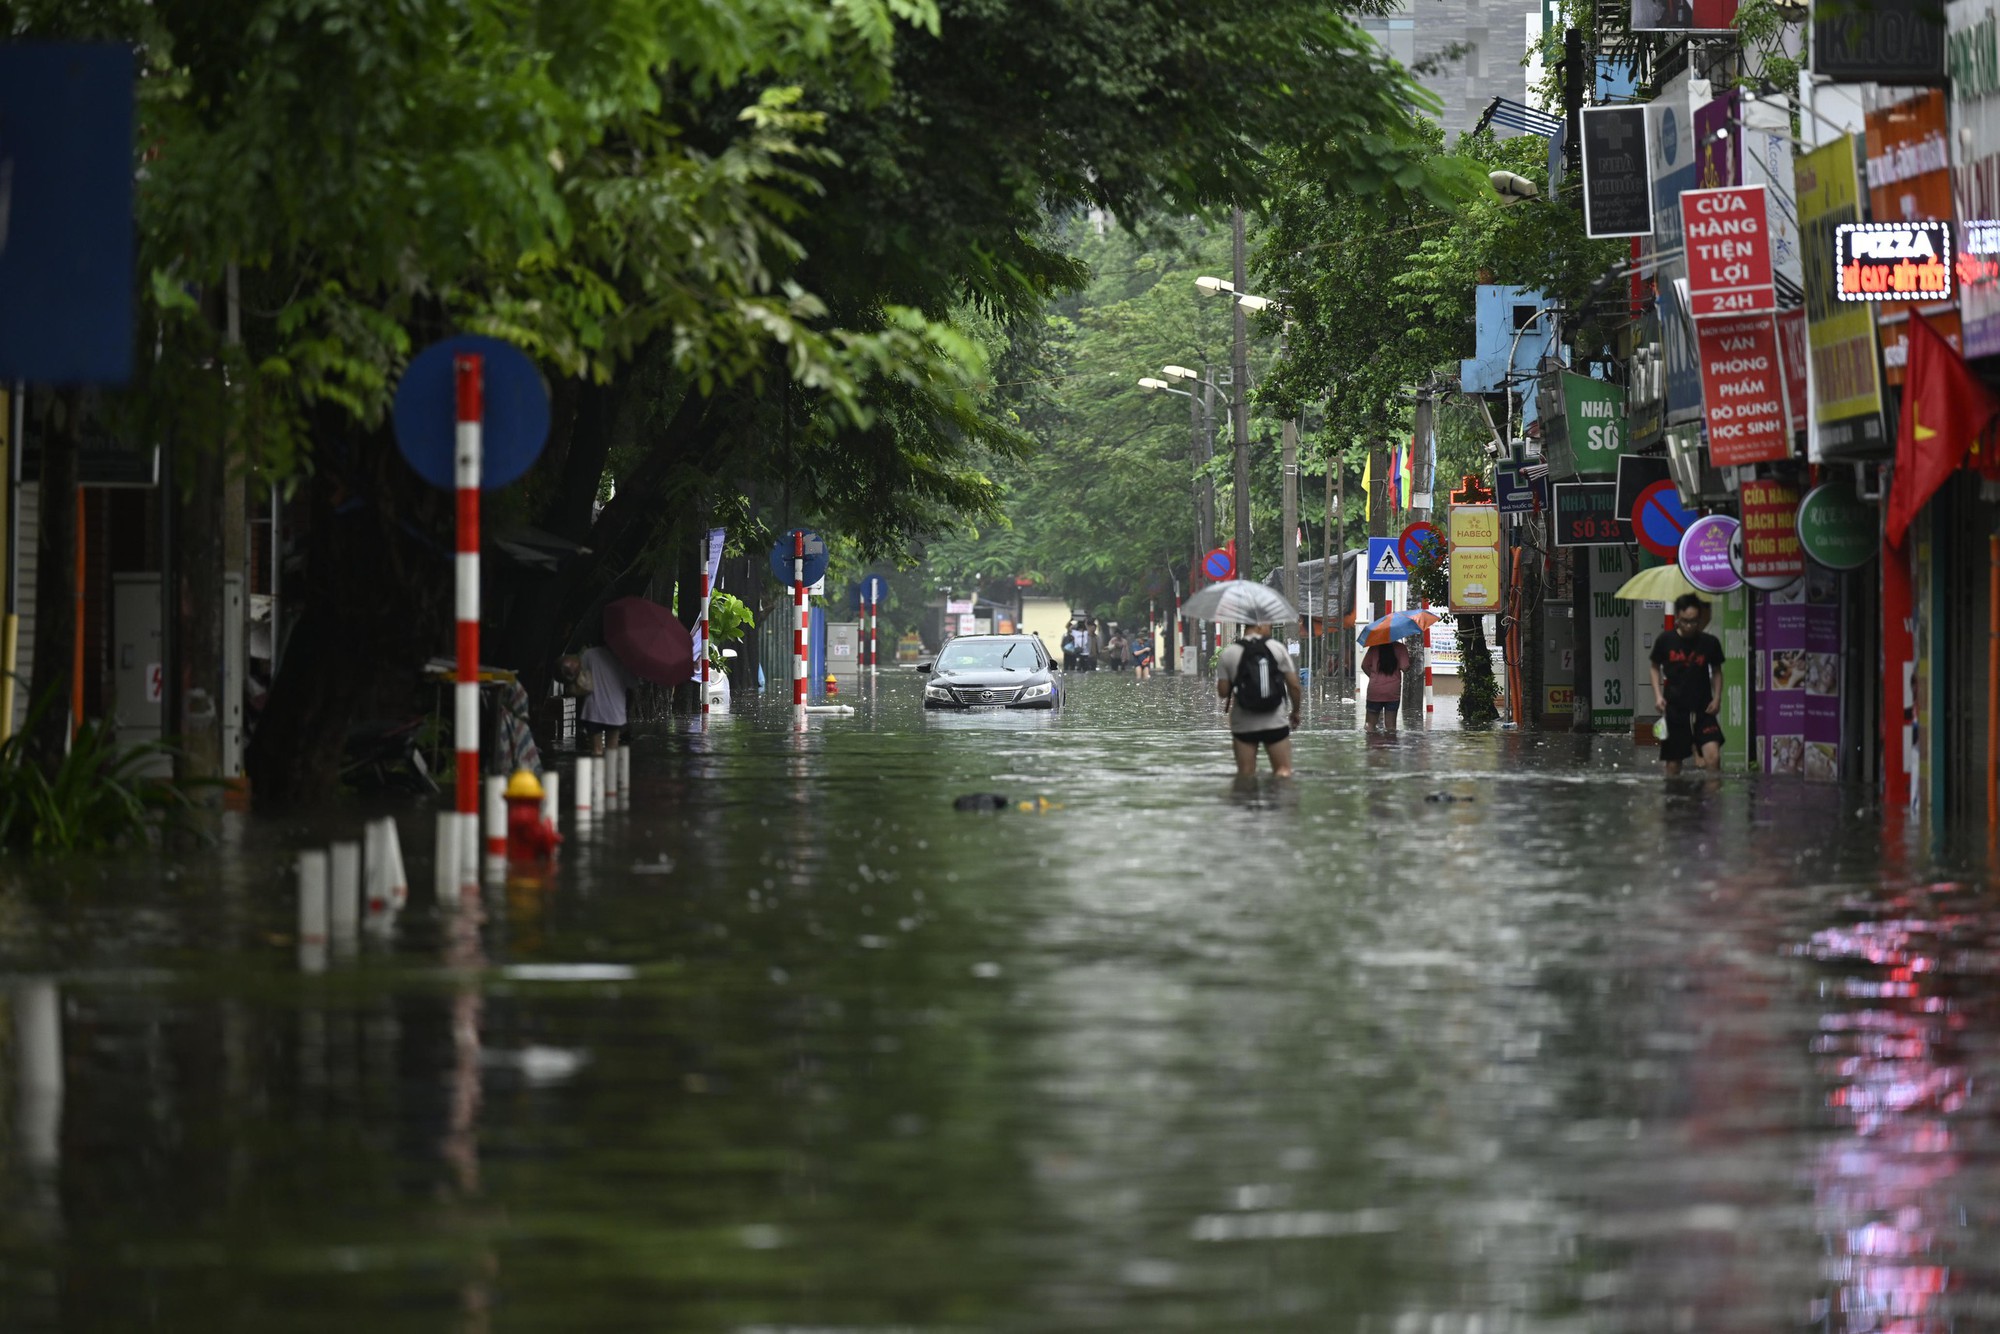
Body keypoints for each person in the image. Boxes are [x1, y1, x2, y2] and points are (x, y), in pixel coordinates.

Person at [1649, 592, 1726, 775]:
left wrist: (1717, 698)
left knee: (1713, 758)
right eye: (1685, 621)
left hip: (1703, 708)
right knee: (1673, 765)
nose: (1689, 626)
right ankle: (1676, 800)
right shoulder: (1665, 640)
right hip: (1675, 708)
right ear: (1677, 617)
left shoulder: (1709, 643)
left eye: (1693, 621)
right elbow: (1654, 666)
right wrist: (1658, 696)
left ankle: (1712, 800)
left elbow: (1717, 671)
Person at [1216, 620, 1303, 779]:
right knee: (1283, 771)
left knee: (1246, 774)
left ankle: (1247, 802)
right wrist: (1296, 711)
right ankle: (1279, 800)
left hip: (1243, 722)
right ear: (1259, 624)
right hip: (1274, 720)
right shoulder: (1277, 648)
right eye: (1269, 625)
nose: (1270, 629)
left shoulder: (1229, 653)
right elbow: (1294, 686)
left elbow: (1223, 692)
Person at [556, 645, 634, 761]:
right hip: (615, 712)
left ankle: (597, 777)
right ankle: (610, 777)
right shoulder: (623, 658)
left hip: (593, 710)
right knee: (612, 750)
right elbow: (631, 684)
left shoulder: (589, 654)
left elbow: (577, 674)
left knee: (596, 750)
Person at [1362, 639, 1411, 734]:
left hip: (1375, 689)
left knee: (1369, 725)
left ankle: (1370, 747)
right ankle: (1390, 747)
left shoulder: (1374, 647)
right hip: (1392, 691)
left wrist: (1373, 677)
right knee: (1391, 727)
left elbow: (1364, 666)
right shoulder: (1401, 647)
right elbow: (1405, 667)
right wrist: (1410, 661)